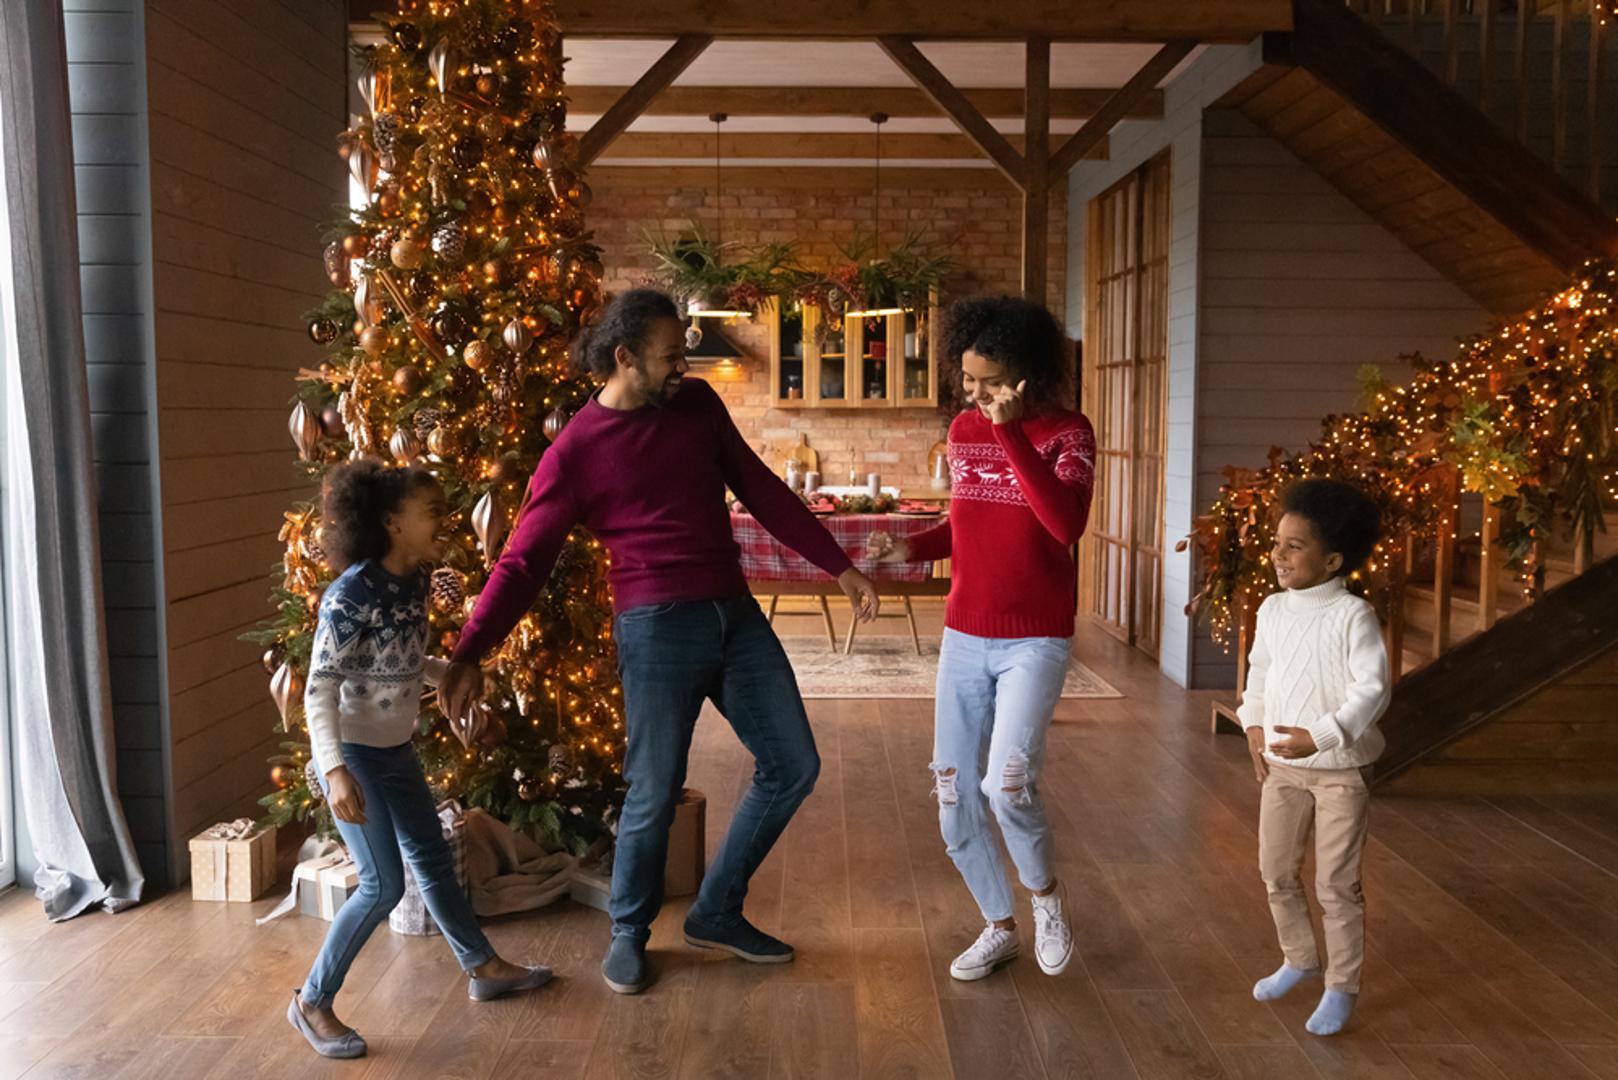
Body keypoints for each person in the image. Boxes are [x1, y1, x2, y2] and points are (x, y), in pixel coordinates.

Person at [439, 288, 880, 996]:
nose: (684, 365)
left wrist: (841, 565)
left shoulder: (699, 406)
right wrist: (468, 651)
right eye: (670, 355)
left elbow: (759, 487)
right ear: (624, 358)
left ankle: (716, 911)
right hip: (654, 628)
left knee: (793, 763)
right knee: (654, 790)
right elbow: (524, 564)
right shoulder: (575, 451)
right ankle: (629, 931)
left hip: (734, 618)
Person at [289, 460, 551, 1060]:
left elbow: (402, 663)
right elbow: (319, 687)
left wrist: (452, 672)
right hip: (354, 755)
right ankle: (311, 1001)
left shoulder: (411, 582)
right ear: (390, 522)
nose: (442, 518)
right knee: (381, 885)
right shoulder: (350, 595)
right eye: (428, 510)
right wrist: (334, 771)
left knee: (431, 858)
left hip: (394, 750)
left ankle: (482, 965)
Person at [868, 295, 1095, 982]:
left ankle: (1046, 902)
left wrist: (1013, 435)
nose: (974, 394)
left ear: (1025, 375)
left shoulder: (1068, 434)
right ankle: (999, 926)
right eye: (968, 380)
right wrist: (909, 548)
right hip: (966, 634)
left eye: (989, 381)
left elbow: (1064, 526)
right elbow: (970, 523)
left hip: (1035, 640)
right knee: (952, 795)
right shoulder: (965, 429)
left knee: (1008, 786)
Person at [1238, 477, 1391, 1037]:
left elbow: (1371, 691)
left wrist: (1322, 737)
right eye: (1277, 543)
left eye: (1294, 546)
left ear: (1331, 560)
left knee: (1336, 885)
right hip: (1280, 768)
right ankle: (1300, 958)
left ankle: (1341, 985)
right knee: (1275, 871)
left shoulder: (1353, 617)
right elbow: (1260, 672)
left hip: (1339, 774)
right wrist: (1253, 725)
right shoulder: (1274, 609)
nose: (1278, 554)